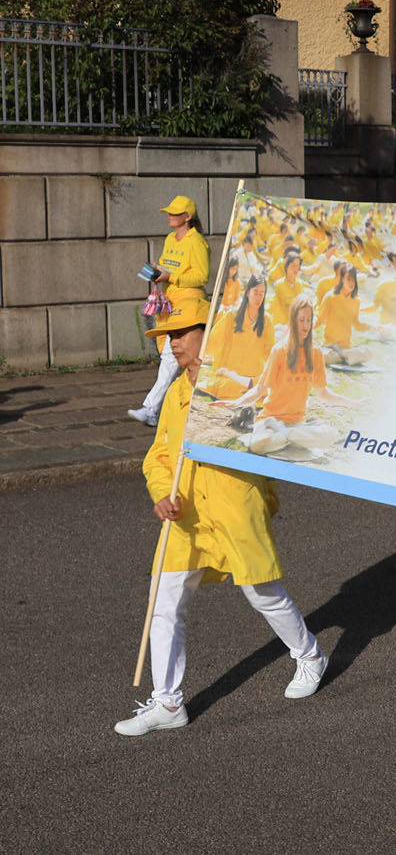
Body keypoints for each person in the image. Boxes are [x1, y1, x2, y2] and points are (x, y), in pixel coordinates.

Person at [114, 295, 327, 736]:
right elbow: (158, 458)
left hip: (234, 507)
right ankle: (168, 702)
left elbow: (264, 435)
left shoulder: (235, 381)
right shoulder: (175, 392)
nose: (172, 343)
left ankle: (310, 655)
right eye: (167, 336)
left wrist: (217, 412)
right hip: (186, 515)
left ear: (207, 332)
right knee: (164, 602)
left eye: (180, 333)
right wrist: (161, 493)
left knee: (262, 592)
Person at [217, 294, 358, 455]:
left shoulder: (316, 353)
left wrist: (350, 402)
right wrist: (236, 402)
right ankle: (290, 438)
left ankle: (286, 437)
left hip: (296, 424)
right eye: (301, 320)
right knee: (258, 445)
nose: (306, 325)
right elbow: (259, 389)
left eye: (309, 320)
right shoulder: (279, 351)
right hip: (270, 422)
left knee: (330, 436)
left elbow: (323, 394)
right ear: (293, 321)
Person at [129, 195, 210, 426]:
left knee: (171, 356)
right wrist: (157, 272)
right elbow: (168, 267)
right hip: (169, 303)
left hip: (189, 306)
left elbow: (202, 276)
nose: (170, 217)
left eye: (175, 213)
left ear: (187, 216)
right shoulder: (170, 239)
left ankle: (151, 408)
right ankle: (180, 406)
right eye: (169, 213)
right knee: (173, 356)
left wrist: (171, 277)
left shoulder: (197, 242)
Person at [201, 276, 274, 401]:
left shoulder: (267, 320)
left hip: (253, 375)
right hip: (228, 377)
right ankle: (242, 383)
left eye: (261, 294)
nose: (258, 297)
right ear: (248, 293)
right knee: (225, 387)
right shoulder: (232, 316)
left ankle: (249, 386)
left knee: (269, 387)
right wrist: (198, 356)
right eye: (255, 292)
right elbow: (213, 340)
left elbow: (271, 352)